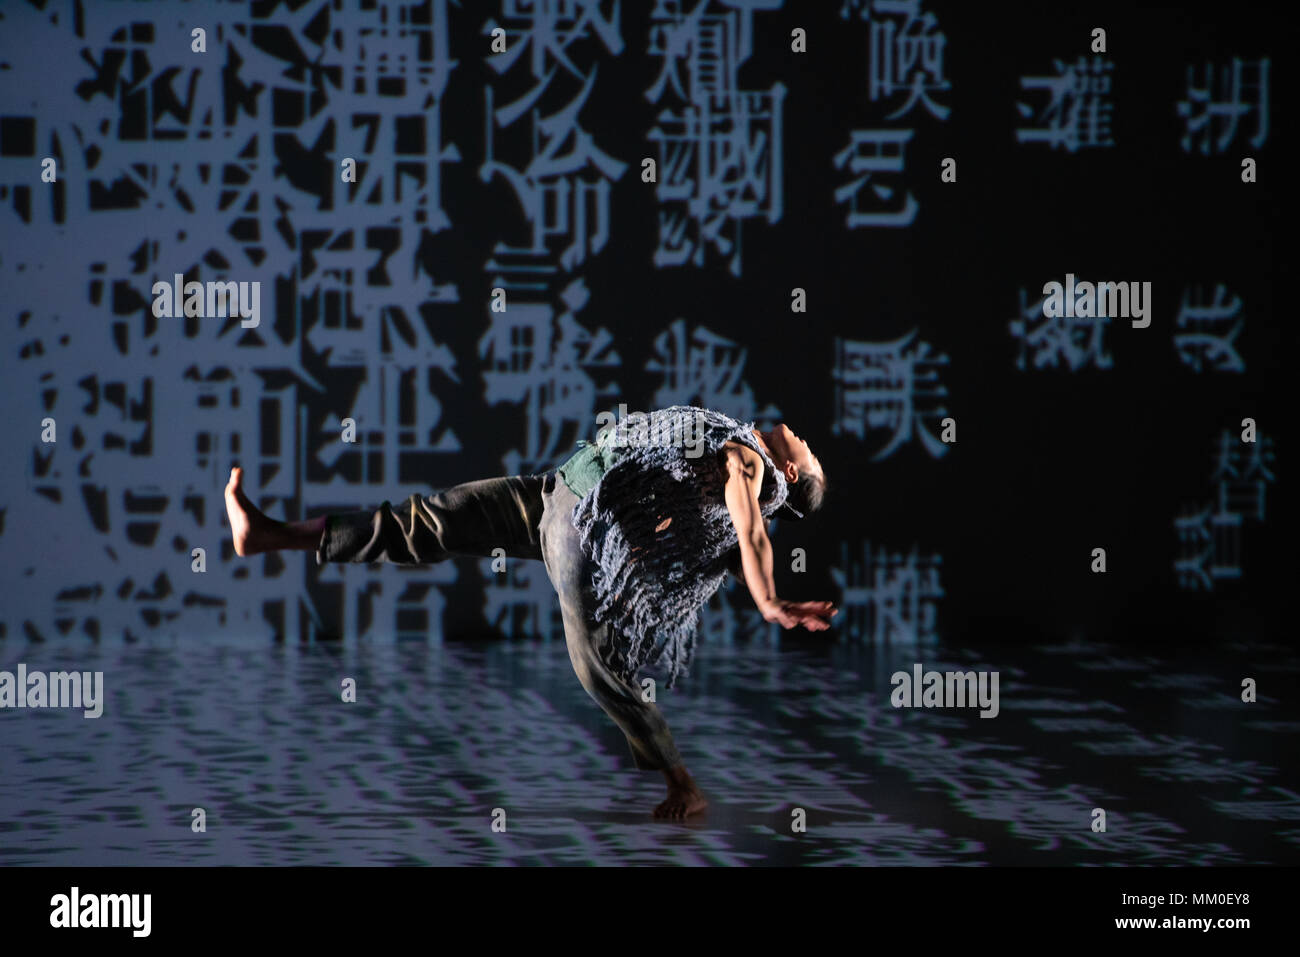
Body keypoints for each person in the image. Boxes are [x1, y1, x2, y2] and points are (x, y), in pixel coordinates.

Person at [224, 405, 835, 818]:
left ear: (788, 472)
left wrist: (770, 600)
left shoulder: (751, 467)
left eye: (808, 454)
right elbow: (718, 533)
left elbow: (752, 535)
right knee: (433, 520)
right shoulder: (733, 448)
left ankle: (681, 781)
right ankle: (269, 535)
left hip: (579, 527)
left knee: (595, 665)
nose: (804, 440)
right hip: (557, 492)